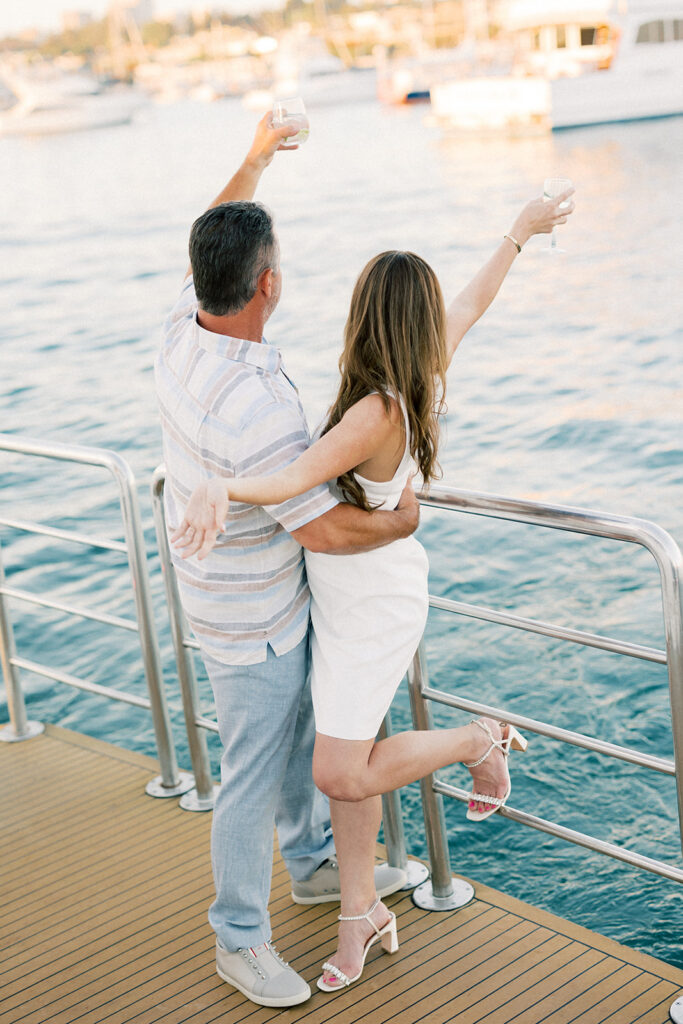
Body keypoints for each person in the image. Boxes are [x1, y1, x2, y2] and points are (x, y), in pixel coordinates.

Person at [172, 179, 575, 992]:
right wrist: (518, 231)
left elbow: (292, 477)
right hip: (346, 592)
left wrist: (221, 486)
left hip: (369, 600)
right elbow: (472, 300)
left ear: (363, 316)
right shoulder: (420, 367)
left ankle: (478, 742)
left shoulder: (372, 412)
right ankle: (359, 910)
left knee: (338, 771)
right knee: (346, 752)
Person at [154, 114, 420, 1009]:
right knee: (251, 774)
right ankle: (238, 936)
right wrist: (400, 524)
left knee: (300, 737)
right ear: (268, 284)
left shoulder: (180, 331)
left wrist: (259, 156)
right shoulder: (258, 409)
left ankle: (311, 867)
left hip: (230, 594)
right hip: (254, 615)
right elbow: (325, 531)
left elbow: (218, 221)